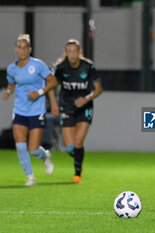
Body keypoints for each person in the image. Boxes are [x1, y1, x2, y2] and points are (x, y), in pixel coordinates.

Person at [2, 34, 57, 186]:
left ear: (30, 49)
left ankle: (45, 156)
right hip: (19, 110)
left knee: (32, 149)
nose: (22, 50)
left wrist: (39, 93)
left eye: (25, 47)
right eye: (19, 47)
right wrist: (8, 91)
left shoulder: (38, 65)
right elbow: (12, 83)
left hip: (36, 110)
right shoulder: (12, 68)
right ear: (16, 50)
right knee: (20, 146)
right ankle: (30, 177)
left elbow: (53, 81)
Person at [50, 39, 103, 184]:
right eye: (69, 51)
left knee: (78, 142)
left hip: (84, 108)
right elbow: (50, 85)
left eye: (75, 51)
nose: (72, 54)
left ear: (80, 52)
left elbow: (98, 89)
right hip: (66, 107)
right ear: (65, 53)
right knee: (70, 148)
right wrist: (53, 104)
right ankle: (79, 157)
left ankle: (77, 173)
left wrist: (86, 99)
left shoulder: (88, 67)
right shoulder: (60, 68)